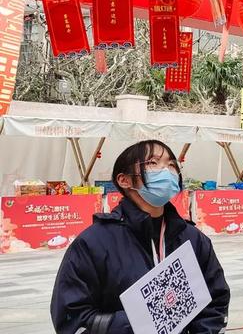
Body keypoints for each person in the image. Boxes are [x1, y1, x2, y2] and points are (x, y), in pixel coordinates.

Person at [50, 140, 230, 334]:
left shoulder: (193, 239)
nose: (166, 171)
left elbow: (215, 301)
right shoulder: (93, 243)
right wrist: (142, 321)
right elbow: (70, 317)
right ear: (124, 180)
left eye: (171, 165)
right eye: (153, 163)